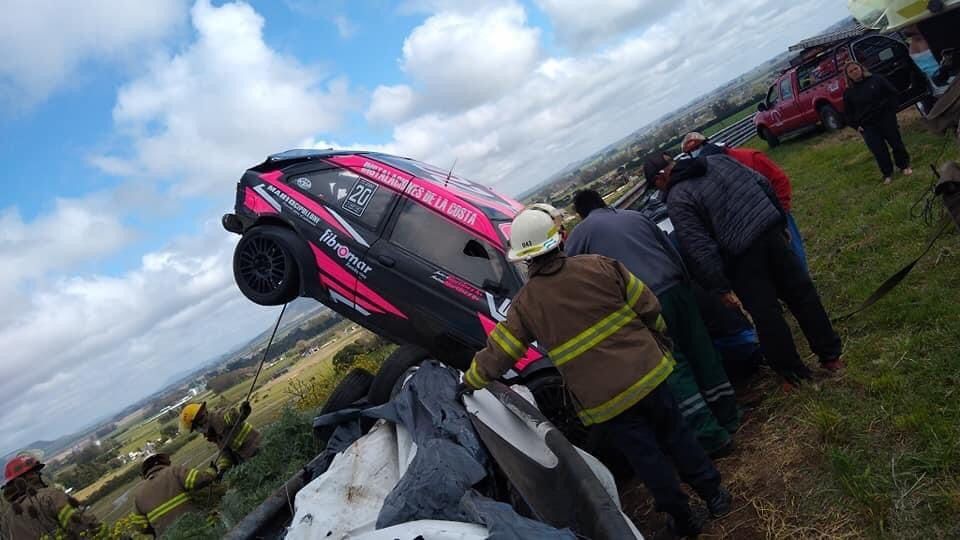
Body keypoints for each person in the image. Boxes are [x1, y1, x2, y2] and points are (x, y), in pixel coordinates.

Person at [462, 204, 732, 537]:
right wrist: (660, 342)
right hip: (650, 376)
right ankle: (715, 496)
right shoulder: (601, 266)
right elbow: (649, 306)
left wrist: (471, 380)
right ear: (558, 240)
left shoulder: (526, 305)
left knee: (647, 459)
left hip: (608, 401)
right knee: (678, 435)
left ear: (524, 257)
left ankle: (683, 518)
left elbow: (500, 351)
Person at [644, 153, 843, 389]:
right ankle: (831, 357)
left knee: (766, 314)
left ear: (660, 178)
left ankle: (793, 374)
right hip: (770, 233)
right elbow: (762, 183)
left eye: (656, 185)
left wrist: (720, 287)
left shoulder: (678, 198)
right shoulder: (717, 160)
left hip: (741, 258)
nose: (659, 190)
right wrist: (780, 223)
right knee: (802, 295)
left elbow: (698, 247)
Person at [566, 189, 740, 457]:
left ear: (580, 214)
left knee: (674, 365)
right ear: (603, 201)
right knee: (701, 349)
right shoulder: (635, 216)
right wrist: (684, 282)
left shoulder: (581, 234)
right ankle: (730, 414)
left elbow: (573, 274)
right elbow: (669, 248)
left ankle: (710, 436)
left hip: (644, 302)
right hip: (676, 287)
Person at [682, 132, 809, 272]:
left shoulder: (749, 156)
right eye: (691, 152)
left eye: (698, 147)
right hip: (749, 231)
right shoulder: (706, 177)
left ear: (708, 143)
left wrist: (781, 210)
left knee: (795, 257)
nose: (696, 152)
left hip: (775, 217)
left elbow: (779, 180)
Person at [1, 454, 105, 539]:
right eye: (36, 471)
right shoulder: (50, 496)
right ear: (29, 475)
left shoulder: (6, 521)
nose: (39, 474)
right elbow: (86, 525)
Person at [842, 61, 913, 184]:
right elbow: (848, 114)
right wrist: (856, 126)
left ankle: (904, 166)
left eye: (855, 68)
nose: (854, 72)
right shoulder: (849, 93)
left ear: (861, 68)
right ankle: (887, 173)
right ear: (848, 76)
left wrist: (892, 111)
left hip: (885, 118)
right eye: (851, 71)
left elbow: (892, 93)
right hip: (868, 125)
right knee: (878, 150)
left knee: (896, 143)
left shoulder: (876, 79)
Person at [126, 453, 217, 537]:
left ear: (145, 471)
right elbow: (201, 480)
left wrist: (157, 528)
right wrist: (211, 471)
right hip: (200, 531)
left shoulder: (138, 494)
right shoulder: (174, 471)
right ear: (164, 462)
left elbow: (140, 526)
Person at [180, 401, 260, 474]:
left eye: (197, 426)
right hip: (247, 457)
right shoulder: (213, 432)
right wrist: (222, 470)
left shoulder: (219, 418)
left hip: (257, 448)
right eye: (196, 428)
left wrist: (242, 412)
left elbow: (233, 415)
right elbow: (226, 452)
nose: (199, 429)